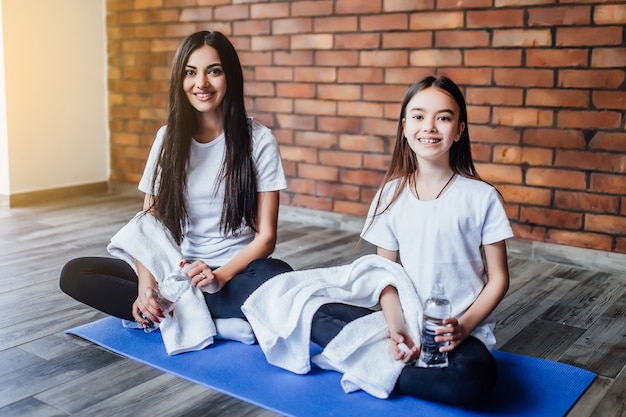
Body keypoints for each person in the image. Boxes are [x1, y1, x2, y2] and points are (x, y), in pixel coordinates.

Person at [60, 30, 292, 330]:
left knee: (277, 275)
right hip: (178, 270)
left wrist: (219, 277)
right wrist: (147, 288)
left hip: (235, 274)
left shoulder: (259, 140)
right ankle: (187, 311)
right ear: (180, 80)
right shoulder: (168, 138)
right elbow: (149, 225)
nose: (201, 84)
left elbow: (266, 238)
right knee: (76, 273)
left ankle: (180, 312)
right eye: (191, 73)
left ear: (230, 77)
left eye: (214, 72)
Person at [310, 75, 514, 406]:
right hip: (405, 322)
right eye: (418, 116)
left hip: (458, 335)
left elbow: (499, 278)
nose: (429, 127)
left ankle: (374, 368)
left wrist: (462, 328)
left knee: (474, 383)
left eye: (443, 117)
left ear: (459, 130)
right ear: (405, 127)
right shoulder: (390, 194)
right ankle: (389, 360)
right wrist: (396, 328)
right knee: (314, 310)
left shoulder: (482, 197)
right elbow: (385, 276)